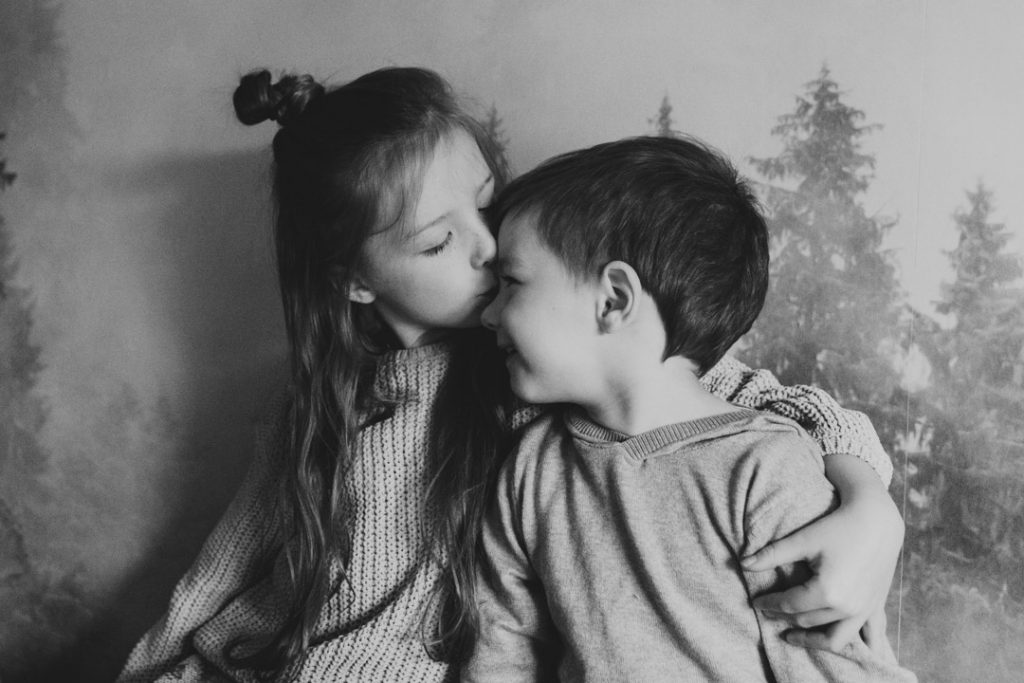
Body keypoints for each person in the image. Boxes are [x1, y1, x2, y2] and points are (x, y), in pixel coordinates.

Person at [117, 67, 902, 683]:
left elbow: (760, 406)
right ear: (355, 280)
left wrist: (870, 503)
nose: (488, 249)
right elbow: (214, 585)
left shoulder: (552, 361)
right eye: (437, 243)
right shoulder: (321, 408)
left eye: (486, 204)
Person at [464, 135, 915, 682]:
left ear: (614, 300)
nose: (488, 314)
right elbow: (502, 654)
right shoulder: (532, 469)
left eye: (511, 282)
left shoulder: (765, 472)